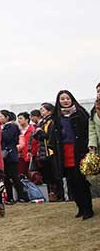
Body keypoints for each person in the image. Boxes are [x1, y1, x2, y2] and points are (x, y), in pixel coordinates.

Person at [49, 89, 93, 219]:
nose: (65, 101)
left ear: (72, 99)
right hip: (64, 153)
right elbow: (53, 137)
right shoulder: (56, 117)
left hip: (78, 151)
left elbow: (87, 132)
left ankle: (88, 209)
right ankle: (79, 207)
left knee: (81, 181)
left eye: (67, 98)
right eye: (62, 99)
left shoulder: (80, 113)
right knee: (71, 182)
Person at [0, 110, 29, 204]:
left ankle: (22, 196)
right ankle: (10, 198)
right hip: (5, 155)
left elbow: (8, 138)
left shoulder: (12, 126)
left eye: (1, 116)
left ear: (7, 117)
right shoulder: (4, 127)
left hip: (11, 155)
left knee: (14, 176)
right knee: (6, 178)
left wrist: (0, 132)